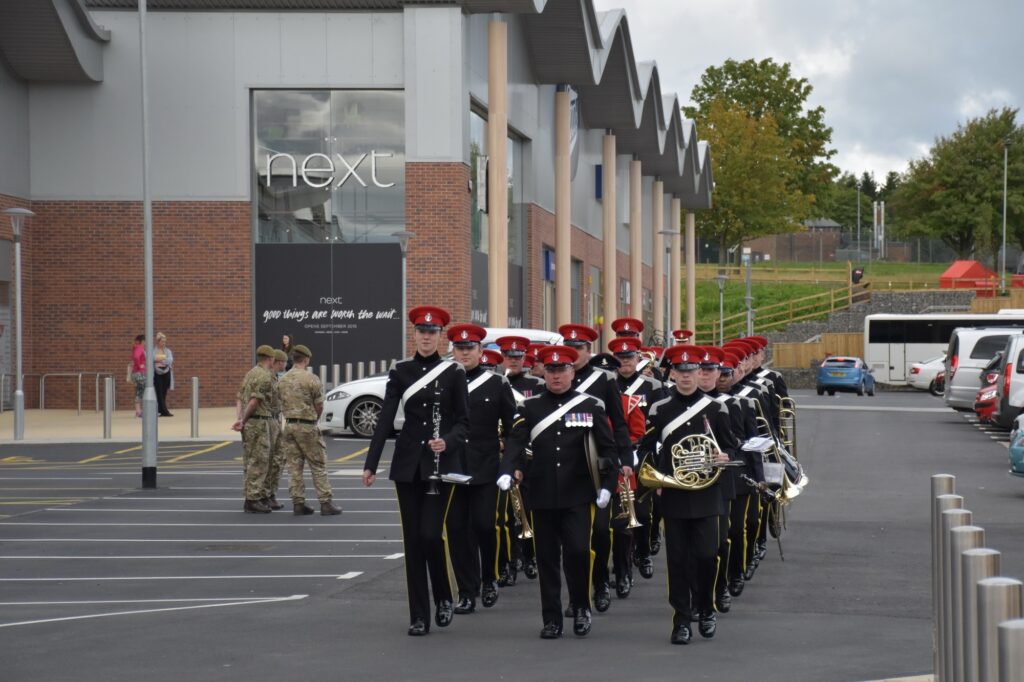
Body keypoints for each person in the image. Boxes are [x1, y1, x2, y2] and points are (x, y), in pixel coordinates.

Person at [363, 306, 470, 636]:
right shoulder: (401, 372)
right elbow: (385, 420)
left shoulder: (453, 373)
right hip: (408, 464)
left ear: (440, 336)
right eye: (421, 332)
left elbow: (464, 423)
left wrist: (448, 442)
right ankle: (419, 615)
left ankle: (443, 596)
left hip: (441, 465)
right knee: (413, 541)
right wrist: (371, 462)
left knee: (429, 535)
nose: (426, 337)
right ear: (414, 334)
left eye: (432, 332)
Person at [498, 345, 618, 639]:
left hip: (578, 493)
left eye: (562, 370)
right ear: (545, 373)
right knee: (547, 558)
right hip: (541, 492)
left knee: (577, 552)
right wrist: (505, 469)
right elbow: (516, 441)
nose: (556, 376)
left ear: (572, 372)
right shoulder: (530, 407)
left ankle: (580, 607)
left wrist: (608, 485)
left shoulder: (591, 405)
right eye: (550, 371)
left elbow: (608, 448)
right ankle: (551, 618)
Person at [638, 344, 740, 645]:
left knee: (707, 556)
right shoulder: (659, 409)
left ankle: (706, 609)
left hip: (708, 494)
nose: (686, 377)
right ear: (672, 374)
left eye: (692, 371)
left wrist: (725, 456)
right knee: (678, 562)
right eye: (680, 372)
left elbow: (733, 446)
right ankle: (681, 621)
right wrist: (653, 477)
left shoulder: (717, 408)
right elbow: (645, 448)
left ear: (700, 372)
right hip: (674, 494)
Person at [558, 323, 632, 614]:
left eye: (578, 348)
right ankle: (577, 595)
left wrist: (626, 458)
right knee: (571, 540)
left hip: (598, 465)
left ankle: (600, 583)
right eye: (569, 347)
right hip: (564, 467)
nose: (573, 354)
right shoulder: (556, 377)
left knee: (601, 531)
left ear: (588, 351)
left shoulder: (604, 381)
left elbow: (619, 422)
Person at [446, 324, 516, 614]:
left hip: (486, 466)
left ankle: (489, 577)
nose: (464, 353)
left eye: (470, 348)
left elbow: (514, 430)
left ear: (480, 351)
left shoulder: (497, 384)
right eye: (460, 349)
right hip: (451, 467)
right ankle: (466, 590)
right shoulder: (444, 381)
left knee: (485, 526)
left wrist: (510, 466)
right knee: (457, 530)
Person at [608, 334, 665, 592]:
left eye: (629, 357)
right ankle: (623, 570)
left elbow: (662, 422)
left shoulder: (652, 387)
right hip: (614, 456)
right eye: (620, 358)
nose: (625, 362)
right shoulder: (607, 384)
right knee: (619, 517)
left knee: (641, 513)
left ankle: (643, 552)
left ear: (637, 358)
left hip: (643, 453)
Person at [496, 335, 545, 586]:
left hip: (531, 456)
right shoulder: (496, 383)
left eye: (517, 356)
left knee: (527, 508)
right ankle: (511, 560)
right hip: (506, 454)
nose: (513, 360)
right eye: (508, 356)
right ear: (502, 357)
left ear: (525, 358)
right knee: (506, 512)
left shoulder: (536, 384)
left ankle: (530, 555)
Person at [279, 344, 341, 516]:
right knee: (318, 464)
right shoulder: (311, 378)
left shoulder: (282, 380)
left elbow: (278, 403)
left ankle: (298, 503)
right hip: (306, 425)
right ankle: (326, 503)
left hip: (289, 425)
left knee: (294, 467)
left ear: (293, 359)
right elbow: (319, 405)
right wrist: (314, 419)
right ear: (306, 359)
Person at [232, 345, 277, 513]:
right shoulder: (265, 376)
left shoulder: (250, 373)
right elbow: (254, 401)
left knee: (250, 460)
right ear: (270, 358)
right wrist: (243, 419)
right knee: (259, 461)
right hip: (258, 422)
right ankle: (253, 499)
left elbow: (239, 398)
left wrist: (240, 419)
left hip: (249, 423)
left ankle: (251, 497)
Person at [260, 349, 289, 510]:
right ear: (279, 362)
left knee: (278, 459)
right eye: (284, 362)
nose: (286, 364)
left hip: (276, 420)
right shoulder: (267, 377)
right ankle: (264, 494)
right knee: (269, 459)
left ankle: (270, 494)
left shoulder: (275, 377)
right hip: (269, 420)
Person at [153, 332, 174, 417]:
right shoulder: (153, 350)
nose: (164, 343)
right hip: (157, 373)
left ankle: (161, 410)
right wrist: (163, 359)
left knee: (164, 392)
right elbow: (152, 358)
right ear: (158, 342)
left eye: (165, 341)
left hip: (166, 372)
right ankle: (164, 411)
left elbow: (170, 360)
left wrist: (160, 360)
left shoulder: (168, 351)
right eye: (162, 341)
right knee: (159, 392)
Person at [131, 334, 146, 418]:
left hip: (136, 373)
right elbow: (136, 357)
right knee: (145, 390)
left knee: (138, 391)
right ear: (143, 341)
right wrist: (140, 365)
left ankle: (138, 411)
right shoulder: (140, 348)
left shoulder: (136, 348)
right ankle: (143, 411)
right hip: (140, 373)